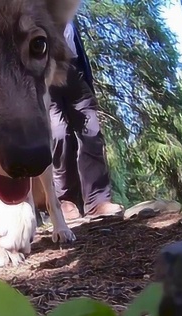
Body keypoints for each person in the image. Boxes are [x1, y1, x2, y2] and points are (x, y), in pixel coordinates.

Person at [48, 19, 124, 221]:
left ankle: (98, 201)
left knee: (91, 129)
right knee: (58, 134)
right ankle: (65, 202)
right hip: (43, 72)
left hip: (73, 69)